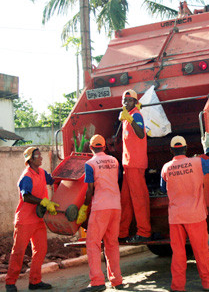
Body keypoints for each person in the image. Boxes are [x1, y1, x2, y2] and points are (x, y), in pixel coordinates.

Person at [160, 134, 209, 292]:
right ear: (186, 148)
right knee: (201, 251)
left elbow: (162, 189)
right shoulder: (197, 162)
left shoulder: (165, 168)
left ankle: (178, 286)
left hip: (176, 217)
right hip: (195, 216)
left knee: (178, 254)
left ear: (171, 150)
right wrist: (208, 147)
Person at [5, 147, 57, 292]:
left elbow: (53, 179)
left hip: (38, 219)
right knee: (18, 252)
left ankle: (35, 282)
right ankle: (10, 283)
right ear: (30, 159)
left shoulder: (41, 172)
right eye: (38, 156)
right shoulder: (26, 176)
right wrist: (44, 202)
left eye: (40, 155)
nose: (41, 158)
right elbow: (26, 196)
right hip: (25, 220)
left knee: (40, 250)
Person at [76, 135, 123, 292]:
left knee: (93, 243)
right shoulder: (114, 161)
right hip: (116, 206)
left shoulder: (90, 164)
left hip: (101, 207)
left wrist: (84, 208)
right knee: (112, 244)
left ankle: (97, 281)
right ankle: (116, 280)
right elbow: (117, 181)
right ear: (104, 147)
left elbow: (90, 190)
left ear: (91, 148)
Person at [118, 89, 151, 242]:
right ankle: (122, 232)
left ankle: (144, 232)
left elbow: (140, 134)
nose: (126, 102)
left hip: (135, 164)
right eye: (124, 100)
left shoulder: (135, 115)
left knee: (138, 199)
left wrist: (131, 119)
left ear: (135, 102)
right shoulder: (128, 116)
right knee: (126, 200)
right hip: (128, 165)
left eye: (129, 100)